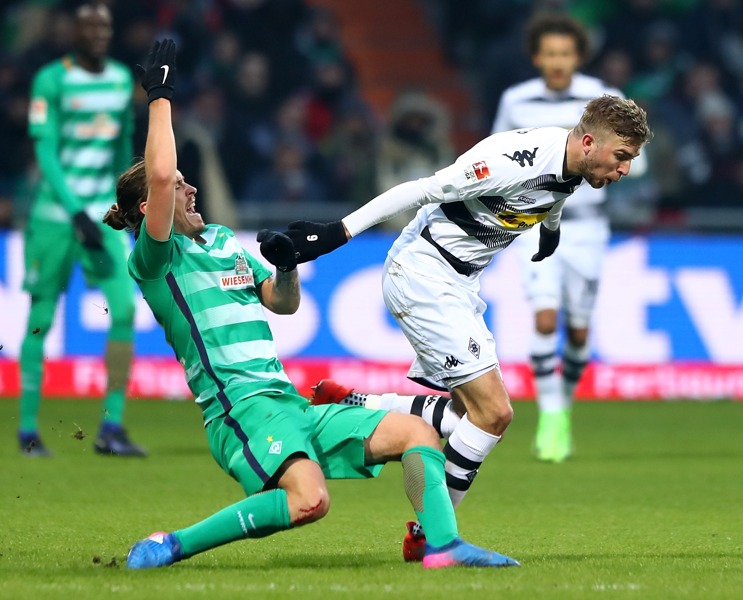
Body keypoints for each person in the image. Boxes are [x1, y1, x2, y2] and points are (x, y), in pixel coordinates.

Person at [107, 39, 517, 570]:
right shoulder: (158, 260)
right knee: (310, 503)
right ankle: (172, 544)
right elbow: (161, 175)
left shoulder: (224, 241)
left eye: (187, 185)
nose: (189, 192)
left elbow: (282, 305)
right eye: (181, 188)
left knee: (418, 434)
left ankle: (442, 547)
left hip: (287, 401)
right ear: (149, 209)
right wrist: (160, 95)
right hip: (239, 409)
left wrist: (285, 266)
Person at [264, 87, 651, 555]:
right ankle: (433, 539)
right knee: (495, 413)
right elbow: (421, 188)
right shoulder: (512, 159)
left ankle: (360, 404)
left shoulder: (574, 166)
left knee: (469, 416)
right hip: (425, 274)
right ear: (589, 143)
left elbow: (556, 192)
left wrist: (550, 229)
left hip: (459, 282)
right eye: (622, 156)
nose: (625, 170)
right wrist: (336, 232)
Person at [490, 13, 640, 463]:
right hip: (532, 223)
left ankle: (565, 407)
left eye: (566, 53)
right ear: (538, 57)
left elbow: (637, 158)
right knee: (544, 320)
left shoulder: (604, 101)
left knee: (578, 330)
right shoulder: (516, 100)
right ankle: (551, 416)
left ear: (578, 56)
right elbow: (499, 152)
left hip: (588, 226)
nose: (558, 61)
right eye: (550, 53)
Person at [19, 2, 144, 457]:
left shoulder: (118, 82)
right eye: (89, 25)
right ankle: (28, 430)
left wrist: (125, 208)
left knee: (125, 311)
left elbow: (121, 152)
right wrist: (75, 212)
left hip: (102, 218)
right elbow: (47, 155)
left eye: (105, 25)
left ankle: (111, 427)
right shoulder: (51, 80)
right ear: (73, 31)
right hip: (55, 219)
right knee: (41, 319)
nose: (98, 32)